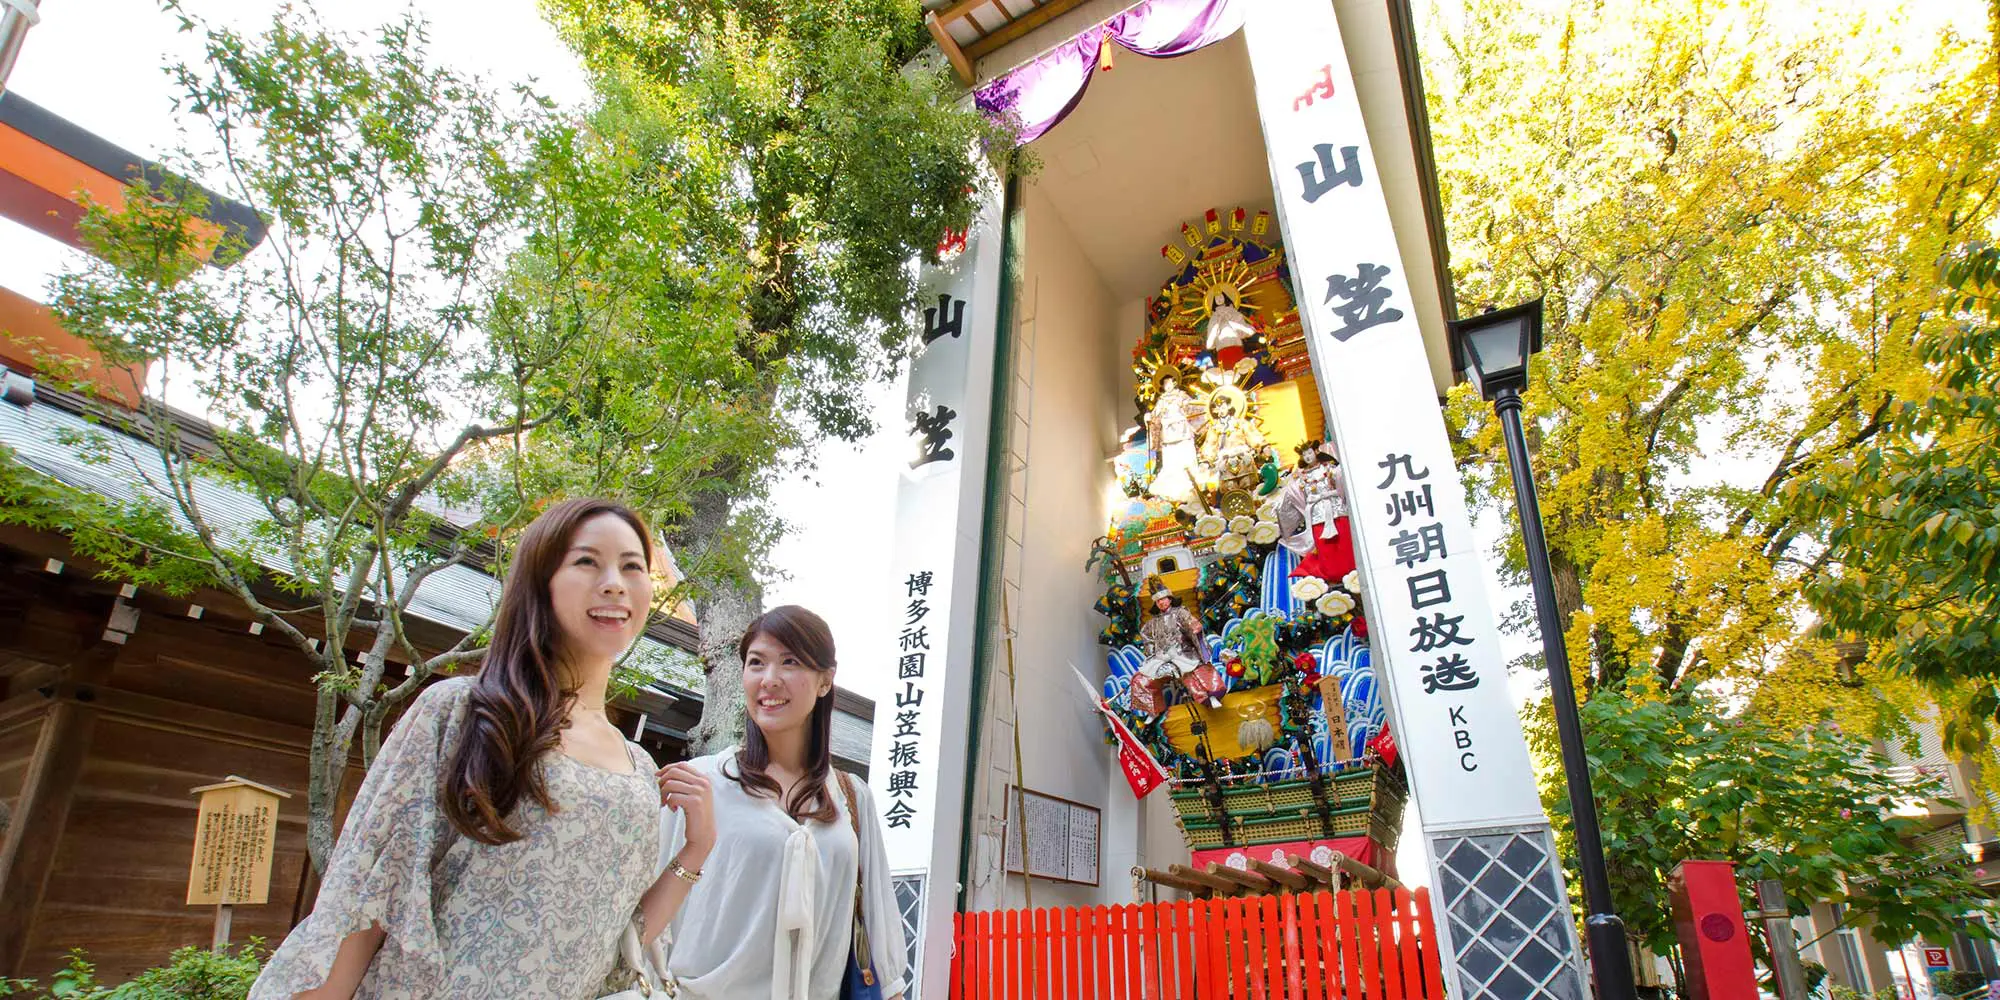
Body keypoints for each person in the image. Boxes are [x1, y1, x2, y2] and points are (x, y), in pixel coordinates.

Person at [251, 498, 716, 999]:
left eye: (632, 567)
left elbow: (611, 942)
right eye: (587, 562)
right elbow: (371, 892)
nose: (614, 582)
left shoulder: (639, 767)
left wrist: (696, 848)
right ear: (541, 582)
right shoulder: (466, 711)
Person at [657, 605, 908, 1000]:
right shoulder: (703, 781)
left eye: (790, 662)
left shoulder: (853, 797)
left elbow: (882, 946)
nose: (769, 680)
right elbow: (651, 923)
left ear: (825, 681)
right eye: (756, 663)